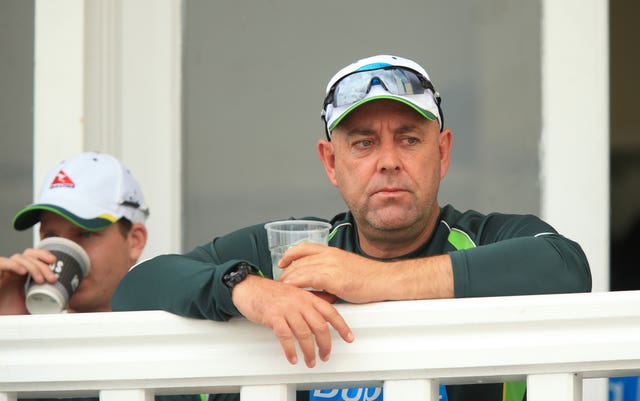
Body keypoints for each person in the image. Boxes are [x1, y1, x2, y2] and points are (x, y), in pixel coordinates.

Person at [111, 55, 592, 401]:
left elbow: (566, 267)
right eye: (363, 143)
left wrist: (372, 280)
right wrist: (246, 287)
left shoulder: (482, 237)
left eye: (408, 139)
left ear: (442, 152)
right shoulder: (294, 249)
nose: (388, 162)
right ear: (331, 162)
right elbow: (136, 287)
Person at [0, 151, 150, 315]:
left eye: (85, 234)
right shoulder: (28, 327)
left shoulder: (168, 330)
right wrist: (11, 322)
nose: (63, 251)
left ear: (135, 241)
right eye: (51, 236)